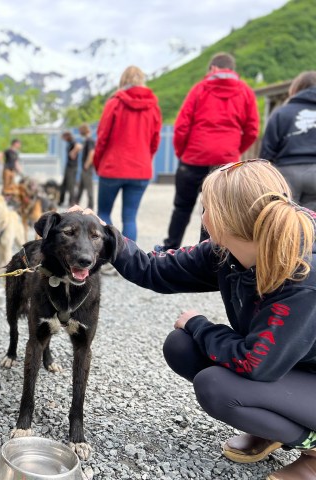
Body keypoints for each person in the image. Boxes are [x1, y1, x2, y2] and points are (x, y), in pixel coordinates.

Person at [73, 160, 316, 480]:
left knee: (216, 387)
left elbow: (255, 363)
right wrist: (102, 233)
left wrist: (199, 324)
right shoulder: (227, 251)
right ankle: (273, 426)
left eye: (206, 208)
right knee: (182, 346)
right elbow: (153, 268)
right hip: (284, 361)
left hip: (299, 371)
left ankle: (312, 450)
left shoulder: (301, 274)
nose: (202, 217)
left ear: (227, 221)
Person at [159, 52, 259, 251]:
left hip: (194, 159)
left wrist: (183, 153)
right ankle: (208, 254)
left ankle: (169, 249)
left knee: (182, 207)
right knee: (215, 210)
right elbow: (252, 129)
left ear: (213, 69)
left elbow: (181, 127)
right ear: (231, 70)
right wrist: (233, 151)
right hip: (226, 162)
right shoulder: (246, 92)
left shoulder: (199, 90)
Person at [93, 65, 161, 242]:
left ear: (123, 81)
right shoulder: (153, 107)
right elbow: (155, 141)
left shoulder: (114, 103)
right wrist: (145, 160)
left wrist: (98, 162)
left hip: (112, 167)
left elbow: (102, 137)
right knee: (130, 218)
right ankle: (129, 264)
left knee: (103, 214)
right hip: (141, 170)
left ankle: (105, 259)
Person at [260, 71, 316, 211]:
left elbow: (267, 150)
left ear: (296, 88)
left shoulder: (281, 112)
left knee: (286, 221)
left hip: (287, 174)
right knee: (312, 224)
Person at [73, 123, 96, 209]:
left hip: (87, 169)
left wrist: (86, 164)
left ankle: (90, 207)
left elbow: (91, 153)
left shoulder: (90, 140)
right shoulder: (86, 140)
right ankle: (75, 205)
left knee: (89, 189)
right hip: (85, 169)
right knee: (80, 188)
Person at [58, 131, 82, 206]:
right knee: (64, 185)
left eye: (64, 137)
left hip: (72, 167)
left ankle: (72, 202)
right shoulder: (69, 142)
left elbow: (79, 146)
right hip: (68, 166)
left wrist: (73, 152)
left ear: (67, 136)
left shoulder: (73, 141)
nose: (64, 139)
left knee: (71, 185)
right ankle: (61, 201)